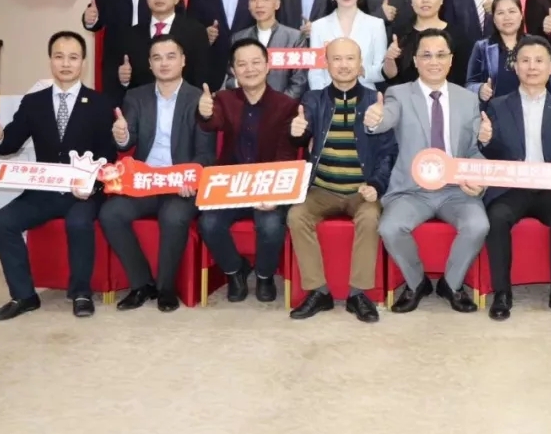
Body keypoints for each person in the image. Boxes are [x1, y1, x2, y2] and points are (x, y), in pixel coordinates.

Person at [0, 31, 117, 320]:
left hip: (84, 192)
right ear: (50, 61)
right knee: (2, 222)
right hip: (43, 191)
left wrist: (92, 185)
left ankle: (81, 293)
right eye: (59, 57)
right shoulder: (34, 102)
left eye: (73, 57)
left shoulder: (100, 103)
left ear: (83, 62)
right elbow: (10, 143)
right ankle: (24, 296)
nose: (66, 63)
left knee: (78, 222)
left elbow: (109, 155)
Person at [365, 28, 489, 313]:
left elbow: (472, 151)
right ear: (416, 60)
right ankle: (416, 282)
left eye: (441, 55)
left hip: (456, 190)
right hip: (412, 190)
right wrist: (375, 120)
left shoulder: (467, 99)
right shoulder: (398, 94)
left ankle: (452, 285)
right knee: (389, 228)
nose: (434, 62)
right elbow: (385, 119)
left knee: (478, 225)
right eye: (427, 55)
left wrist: (479, 178)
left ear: (451, 60)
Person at [99, 35, 217, 312]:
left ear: (183, 61)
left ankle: (166, 288)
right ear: (150, 64)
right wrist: (122, 135)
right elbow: (127, 141)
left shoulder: (199, 99)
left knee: (173, 216)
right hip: (145, 181)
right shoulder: (136, 97)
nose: (164, 63)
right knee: (110, 213)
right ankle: (142, 284)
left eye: (170, 56)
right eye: (157, 58)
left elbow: (206, 154)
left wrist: (191, 179)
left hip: (181, 184)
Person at [286, 38, 396, 323]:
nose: (344, 65)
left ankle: (358, 294)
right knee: (296, 215)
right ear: (326, 64)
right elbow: (302, 131)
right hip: (322, 189)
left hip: (362, 190)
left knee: (370, 218)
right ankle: (318, 291)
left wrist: (376, 185)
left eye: (350, 59)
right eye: (336, 59)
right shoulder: (313, 99)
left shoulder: (375, 101)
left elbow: (388, 152)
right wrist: (297, 132)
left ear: (360, 65)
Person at [479, 36, 551, 321]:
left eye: (539, 61)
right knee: (497, 217)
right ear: (515, 66)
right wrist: (485, 140)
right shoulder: (498, 106)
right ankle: (502, 292)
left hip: (550, 188)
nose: (532, 67)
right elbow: (491, 155)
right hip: (512, 187)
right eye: (525, 60)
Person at [196, 38, 299, 303]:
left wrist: (276, 195)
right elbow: (212, 122)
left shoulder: (285, 105)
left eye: (256, 62)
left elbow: (286, 155)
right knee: (208, 223)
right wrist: (205, 113)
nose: (249, 69)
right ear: (233, 70)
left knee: (270, 225)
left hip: (267, 185)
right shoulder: (224, 99)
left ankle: (264, 276)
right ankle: (235, 270)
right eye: (242, 64)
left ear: (267, 66)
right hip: (231, 187)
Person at [118, 0, 209, 92]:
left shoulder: (195, 31)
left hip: (184, 100)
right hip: (142, 101)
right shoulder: (131, 34)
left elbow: (201, 75)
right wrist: (124, 80)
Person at [224, 0, 308, 99]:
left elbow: (299, 82)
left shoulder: (295, 38)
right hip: (246, 106)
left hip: (283, 106)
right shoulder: (238, 38)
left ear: (277, 4)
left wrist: (277, 105)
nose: (259, 5)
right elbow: (230, 80)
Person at [307, 0, 388, 91]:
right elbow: (315, 73)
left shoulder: (376, 25)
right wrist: (322, 97)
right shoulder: (318, 27)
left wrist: (363, 71)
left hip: (366, 96)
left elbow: (381, 70)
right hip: (327, 97)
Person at [384, 0, 472, 87]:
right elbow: (390, 77)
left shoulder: (457, 34)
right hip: (408, 96)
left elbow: (464, 76)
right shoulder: (400, 34)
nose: (425, 0)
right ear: (411, 0)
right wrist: (389, 58)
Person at [466, 0, 551, 103]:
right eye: (500, 13)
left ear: (521, 15)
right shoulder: (482, 47)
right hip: (494, 111)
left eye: (512, 11)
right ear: (494, 19)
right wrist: (480, 89)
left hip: (533, 109)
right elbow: (469, 84)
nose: (507, 17)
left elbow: (549, 83)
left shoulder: (536, 45)